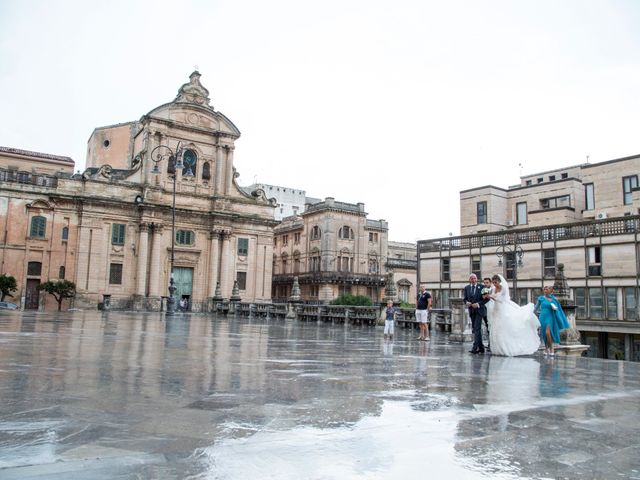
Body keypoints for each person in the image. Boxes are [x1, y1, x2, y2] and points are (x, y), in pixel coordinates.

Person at [486, 274, 541, 356]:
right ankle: (498, 348)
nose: (494, 284)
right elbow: (493, 296)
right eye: (493, 282)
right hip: (495, 309)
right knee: (496, 327)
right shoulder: (493, 288)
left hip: (502, 308)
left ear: (499, 281)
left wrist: (491, 297)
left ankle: (506, 347)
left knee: (503, 327)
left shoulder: (503, 288)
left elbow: (501, 299)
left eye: (496, 282)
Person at [534, 286, 570, 356]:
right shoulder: (541, 298)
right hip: (543, 317)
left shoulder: (554, 300)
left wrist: (555, 309)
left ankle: (551, 348)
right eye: (544, 289)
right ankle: (546, 348)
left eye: (547, 289)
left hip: (550, 317)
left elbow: (558, 309)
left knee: (548, 332)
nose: (545, 290)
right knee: (545, 334)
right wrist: (530, 312)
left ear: (551, 291)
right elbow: (536, 308)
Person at [464, 274, 486, 354]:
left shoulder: (483, 287)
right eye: (471, 278)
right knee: (476, 329)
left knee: (477, 328)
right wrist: (467, 302)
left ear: (477, 279)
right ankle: (481, 348)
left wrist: (478, 304)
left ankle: (475, 347)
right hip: (471, 311)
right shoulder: (467, 288)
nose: (473, 280)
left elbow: (486, 299)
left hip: (480, 310)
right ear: (469, 279)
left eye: (474, 278)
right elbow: (464, 299)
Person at [481, 277, 492, 352]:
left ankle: (491, 344)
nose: (485, 284)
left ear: (490, 282)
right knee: (488, 328)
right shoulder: (483, 290)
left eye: (487, 282)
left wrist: (489, 296)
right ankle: (489, 344)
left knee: (492, 329)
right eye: (484, 283)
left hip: (492, 311)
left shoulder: (493, 289)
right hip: (485, 311)